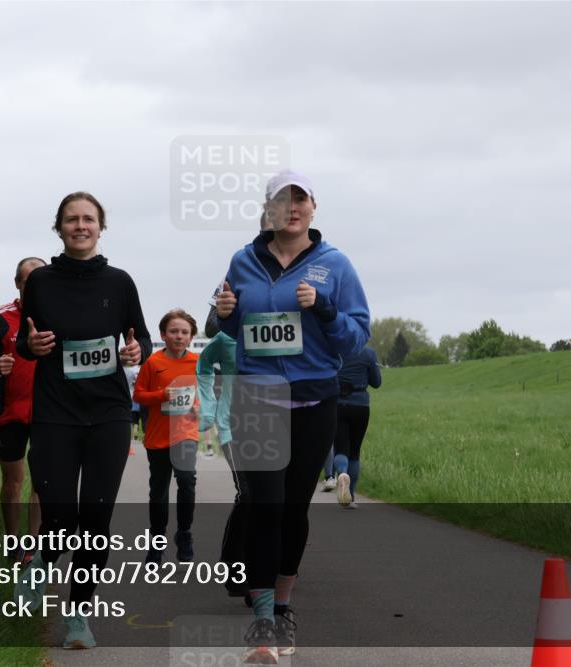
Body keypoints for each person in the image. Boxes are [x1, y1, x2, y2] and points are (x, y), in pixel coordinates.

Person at [215, 169, 370, 662]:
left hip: (313, 401)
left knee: (293, 510)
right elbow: (226, 325)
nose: (292, 208)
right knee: (265, 506)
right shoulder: (243, 260)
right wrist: (223, 313)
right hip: (257, 398)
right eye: (282, 201)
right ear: (269, 210)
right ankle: (263, 617)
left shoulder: (335, 264)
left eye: (300, 200)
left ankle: (283, 605)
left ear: (313, 207)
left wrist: (324, 308)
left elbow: (357, 337)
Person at [14, 191, 151, 650]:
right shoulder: (41, 282)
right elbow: (23, 342)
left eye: (88, 219)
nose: (80, 226)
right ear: (59, 228)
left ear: (100, 227)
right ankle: (39, 565)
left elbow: (141, 337)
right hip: (56, 411)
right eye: (71, 219)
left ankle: (77, 615)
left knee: (95, 517)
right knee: (59, 514)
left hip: (108, 412)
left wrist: (135, 351)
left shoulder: (120, 282)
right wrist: (31, 347)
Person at [0, 257, 47, 564]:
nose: (35, 287)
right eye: (28, 281)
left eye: (40, 280)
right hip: (11, 413)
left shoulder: (59, 317)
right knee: (13, 481)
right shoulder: (0, 318)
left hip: (49, 414)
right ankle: (12, 543)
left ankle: (33, 547)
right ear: (17, 283)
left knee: (42, 483)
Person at [133, 309, 201, 564]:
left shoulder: (197, 362)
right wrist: (162, 395)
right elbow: (138, 395)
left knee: (186, 479)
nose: (179, 336)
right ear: (163, 335)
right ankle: (157, 541)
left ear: (191, 337)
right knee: (159, 491)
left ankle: (184, 533)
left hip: (186, 432)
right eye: (173, 331)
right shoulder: (153, 363)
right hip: (158, 435)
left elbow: (207, 389)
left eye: (184, 332)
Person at [196, 329, 248, 600]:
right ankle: (235, 567)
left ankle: (279, 563)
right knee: (248, 496)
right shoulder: (225, 338)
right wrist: (208, 408)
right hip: (232, 427)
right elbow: (203, 365)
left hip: (275, 425)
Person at [333, 345, 381, 509]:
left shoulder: (335, 349)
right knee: (355, 452)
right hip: (361, 406)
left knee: (340, 448)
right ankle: (351, 496)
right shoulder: (368, 353)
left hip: (337, 404)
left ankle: (342, 473)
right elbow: (376, 382)